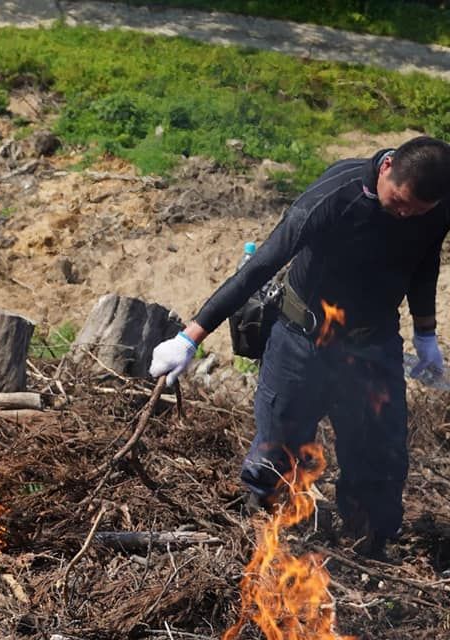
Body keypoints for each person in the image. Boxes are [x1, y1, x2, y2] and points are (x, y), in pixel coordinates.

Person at [148, 136, 450, 555]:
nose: (404, 216)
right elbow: (260, 266)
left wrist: (425, 334)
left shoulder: (434, 208)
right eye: (399, 203)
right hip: (300, 340)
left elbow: (424, 263)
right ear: (387, 168)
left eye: (418, 211)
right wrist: (190, 338)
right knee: (277, 452)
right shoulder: (334, 197)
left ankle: (371, 550)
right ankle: (262, 546)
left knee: (380, 458)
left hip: (371, 347)